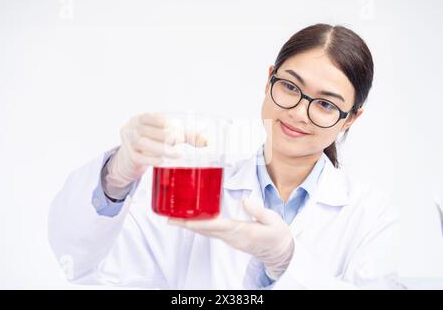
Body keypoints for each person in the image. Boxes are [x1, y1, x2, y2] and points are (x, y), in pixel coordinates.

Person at [48, 24, 400, 289]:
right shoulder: (196, 191)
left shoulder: (369, 214)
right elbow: (81, 266)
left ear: (352, 118)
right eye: (290, 87)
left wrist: (287, 262)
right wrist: (114, 179)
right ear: (268, 81)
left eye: (325, 104)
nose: (298, 112)